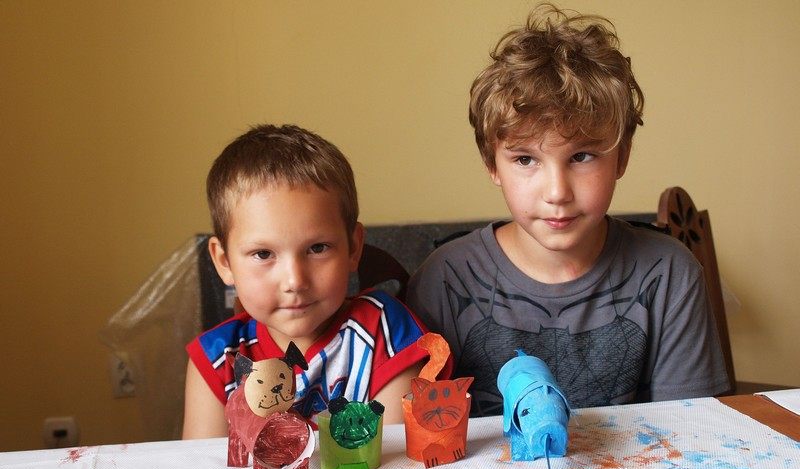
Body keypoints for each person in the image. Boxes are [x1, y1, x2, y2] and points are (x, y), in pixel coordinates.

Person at [406, 5, 730, 416]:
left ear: (622, 157)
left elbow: (693, 430)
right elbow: (421, 434)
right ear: (492, 164)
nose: (557, 192)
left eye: (581, 156)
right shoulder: (444, 280)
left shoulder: (669, 274)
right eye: (525, 160)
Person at [183, 124, 434, 439]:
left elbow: (393, 454)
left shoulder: (387, 333)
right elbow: (201, 466)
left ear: (353, 248)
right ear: (224, 262)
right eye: (263, 254)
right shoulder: (216, 360)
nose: (295, 281)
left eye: (317, 248)